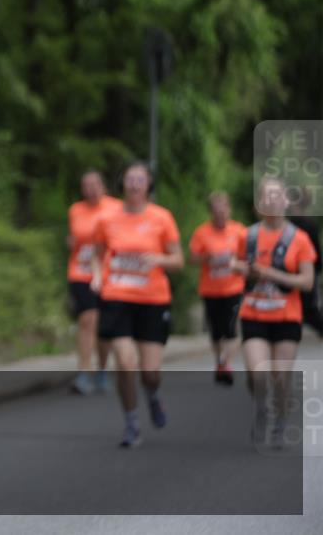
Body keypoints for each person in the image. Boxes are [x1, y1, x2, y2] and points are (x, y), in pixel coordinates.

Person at [90, 162, 183, 448]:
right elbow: (96, 253)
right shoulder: (107, 218)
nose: (134, 184)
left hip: (153, 300)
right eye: (129, 178)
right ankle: (131, 423)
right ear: (122, 184)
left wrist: (160, 260)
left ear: (148, 186)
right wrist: (96, 277)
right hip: (117, 296)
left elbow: (178, 261)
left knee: (150, 373)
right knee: (125, 362)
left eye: (140, 179)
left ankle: (153, 396)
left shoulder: (162, 218)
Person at [231, 176, 316, 446]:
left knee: (280, 377)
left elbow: (307, 281)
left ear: (286, 201)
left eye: (277, 196)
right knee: (257, 373)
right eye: (267, 196)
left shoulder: (299, 239)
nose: (272, 201)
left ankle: (280, 419)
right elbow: (234, 263)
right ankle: (260, 407)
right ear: (259, 204)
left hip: (286, 317)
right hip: (254, 313)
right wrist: (245, 269)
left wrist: (271, 273)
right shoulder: (249, 235)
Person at [66, 170, 120, 394]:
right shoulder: (76, 210)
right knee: (87, 319)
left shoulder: (116, 207)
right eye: (86, 185)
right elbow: (73, 238)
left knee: (104, 326)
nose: (91, 189)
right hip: (80, 271)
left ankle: (102, 369)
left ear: (103, 186)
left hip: (109, 273)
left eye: (95, 184)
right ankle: (84, 372)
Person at [188, 191, 247, 385]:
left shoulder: (239, 231)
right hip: (210, 289)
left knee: (231, 329)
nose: (221, 213)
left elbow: (248, 258)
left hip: (233, 287)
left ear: (229, 209)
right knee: (216, 330)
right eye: (216, 210)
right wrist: (208, 258)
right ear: (211, 212)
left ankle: (226, 362)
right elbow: (192, 259)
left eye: (224, 208)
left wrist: (236, 264)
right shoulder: (202, 232)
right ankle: (218, 361)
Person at [287, 188, 322, 337]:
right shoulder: (310, 224)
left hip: (292, 271)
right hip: (307, 270)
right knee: (308, 308)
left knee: (304, 307)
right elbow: (317, 252)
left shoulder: (289, 225)